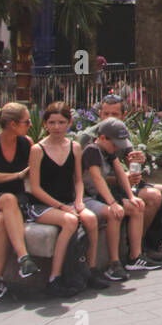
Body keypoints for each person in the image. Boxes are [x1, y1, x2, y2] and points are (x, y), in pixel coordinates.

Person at [24, 103, 109, 295]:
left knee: (89, 218)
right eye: (52, 122)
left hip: (68, 201)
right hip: (42, 204)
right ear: (45, 124)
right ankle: (55, 277)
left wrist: (78, 201)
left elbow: (78, 180)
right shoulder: (38, 149)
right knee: (70, 221)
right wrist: (62, 207)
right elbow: (35, 188)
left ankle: (91, 269)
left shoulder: (74, 147)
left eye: (61, 122)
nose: (56, 127)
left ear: (69, 123)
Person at [83, 93, 162, 261]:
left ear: (124, 115)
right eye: (105, 114)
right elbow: (90, 178)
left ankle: (152, 243)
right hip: (101, 188)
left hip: (119, 182)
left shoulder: (119, 131)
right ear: (99, 114)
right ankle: (136, 248)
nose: (108, 118)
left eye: (114, 114)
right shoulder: (90, 139)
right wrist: (123, 180)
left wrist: (137, 161)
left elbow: (128, 162)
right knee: (152, 197)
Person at [0, 103, 41, 300]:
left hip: (14, 200)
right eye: (26, 121)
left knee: (3, 218)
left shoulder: (26, 142)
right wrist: (15, 176)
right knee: (7, 200)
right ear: (12, 124)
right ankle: (23, 257)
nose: (30, 124)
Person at [81, 118, 162, 275]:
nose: (116, 148)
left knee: (137, 205)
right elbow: (97, 179)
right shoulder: (91, 150)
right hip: (90, 195)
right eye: (114, 144)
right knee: (115, 212)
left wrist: (131, 196)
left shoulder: (108, 150)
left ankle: (135, 256)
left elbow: (119, 172)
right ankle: (114, 262)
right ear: (102, 137)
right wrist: (112, 202)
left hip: (103, 194)